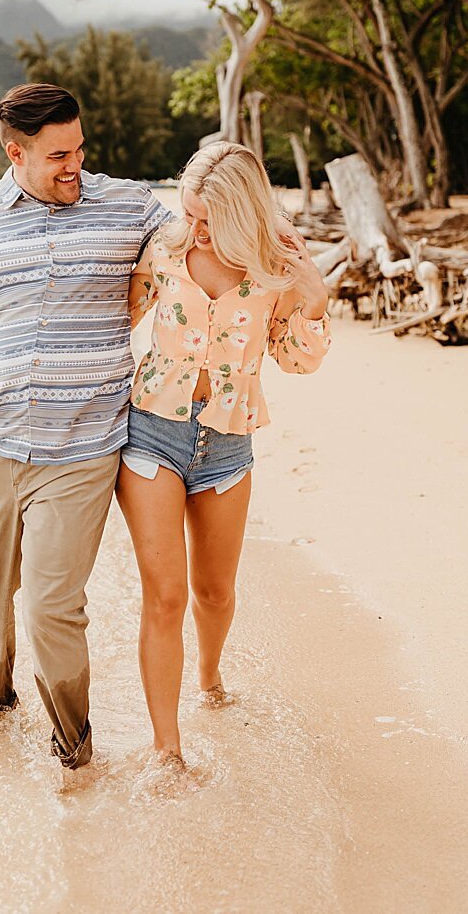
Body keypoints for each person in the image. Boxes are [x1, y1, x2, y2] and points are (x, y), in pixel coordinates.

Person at [0, 83, 172, 771]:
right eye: (58, 154)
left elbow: (192, 234)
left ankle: (74, 756)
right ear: (14, 152)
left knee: (55, 607)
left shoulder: (128, 205)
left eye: (81, 148)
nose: (74, 166)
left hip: (83, 451)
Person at [120, 141, 331, 776]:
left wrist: (312, 292)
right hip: (152, 434)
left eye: (211, 222)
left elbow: (299, 359)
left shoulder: (274, 268)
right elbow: (114, 321)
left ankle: (210, 678)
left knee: (215, 592)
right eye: (191, 215)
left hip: (227, 443)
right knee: (166, 597)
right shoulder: (164, 250)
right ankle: (167, 750)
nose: (199, 232)